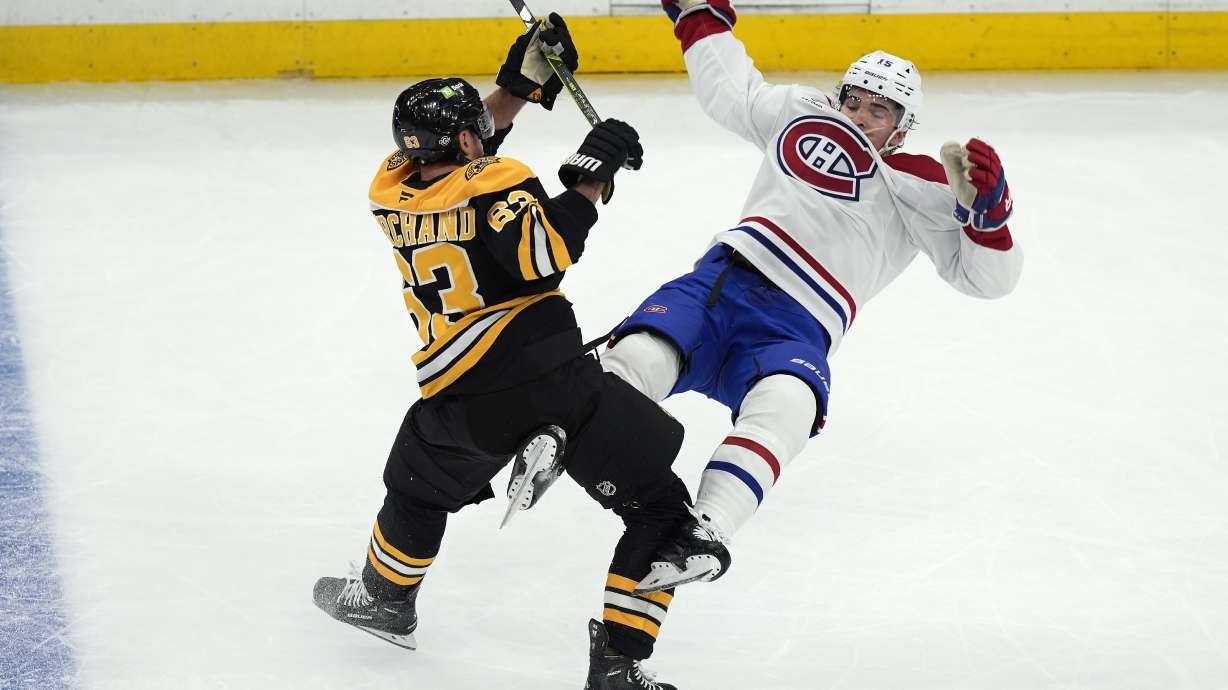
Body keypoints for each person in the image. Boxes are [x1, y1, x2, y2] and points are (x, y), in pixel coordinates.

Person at [312, 15, 690, 690]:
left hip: (463, 401)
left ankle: (382, 600)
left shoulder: (392, 185)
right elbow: (544, 255)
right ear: (465, 139)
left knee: (415, 491)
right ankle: (619, 664)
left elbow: (467, 161)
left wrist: (517, 86)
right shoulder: (500, 176)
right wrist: (589, 177)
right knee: (661, 510)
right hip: (554, 375)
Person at [598, 0, 1024, 594]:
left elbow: (986, 279)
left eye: (879, 110)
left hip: (798, 327)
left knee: (788, 408)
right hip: (727, 282)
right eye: (853, 99)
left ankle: (704, 529)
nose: (859, 115)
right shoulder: (803, 114)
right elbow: (734, 92)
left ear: (904, 126)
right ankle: (569, 427)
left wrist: (989, 216)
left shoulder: (924, 182)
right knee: (639, 358)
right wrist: (698, 14)